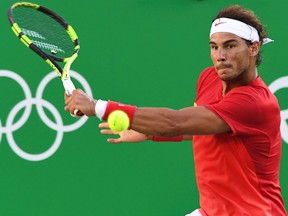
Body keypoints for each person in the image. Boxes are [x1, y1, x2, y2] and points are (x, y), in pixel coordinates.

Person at [64, 4, 287, 216]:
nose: (220, 56)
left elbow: (175, 123)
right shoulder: (209, 77)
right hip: (211, 210)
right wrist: (148, 131)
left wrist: (98, 107)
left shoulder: (254, 102)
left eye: (230, 46)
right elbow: (202, 126)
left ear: (253, 48)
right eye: (214, 47)